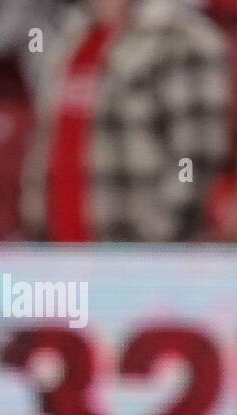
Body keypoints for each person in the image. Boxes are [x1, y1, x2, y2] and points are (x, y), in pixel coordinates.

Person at [21, 0, 231, 242]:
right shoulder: (71, 36)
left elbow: (196, 160)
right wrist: (35, 222)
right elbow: (46, 141)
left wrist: (150, 242)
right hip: (61, 256)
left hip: (140, 260)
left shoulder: (185, 38)